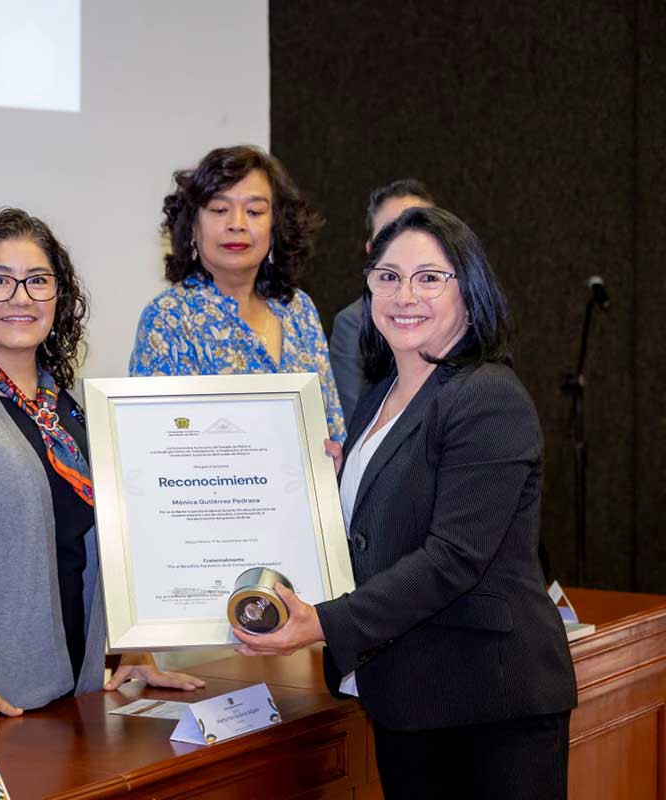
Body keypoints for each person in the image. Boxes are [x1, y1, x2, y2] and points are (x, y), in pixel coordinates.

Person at [232, 207, 577, 799]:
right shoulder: (380, 394)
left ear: (469, 291)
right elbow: (378, 528)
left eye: (429, 278)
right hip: (408, 696)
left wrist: (324, 622)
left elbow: (453, 559)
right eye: (388, 277)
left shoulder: (487, 395)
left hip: (489, 705)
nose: (405, 295)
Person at [0, 208, 205, 738]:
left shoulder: (74, 407)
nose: (21, 297)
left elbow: (95, 543)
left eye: (38, 280)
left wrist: (133, 647)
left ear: (59, 297)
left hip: (67, 685)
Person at [128, 145, 344, 441]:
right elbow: (158, 440)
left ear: (276, 226)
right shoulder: (168, 317)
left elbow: (331, 423)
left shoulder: (299, 308)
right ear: (192, 226)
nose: (237, 224)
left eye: (255, 211)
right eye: (219, 210)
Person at [329, 179, 435, 421]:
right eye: (390, 233)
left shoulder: (457, 312)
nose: (405, 243)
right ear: (371, 251)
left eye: (418, 229)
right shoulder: (354, 323)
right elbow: (358, 422)